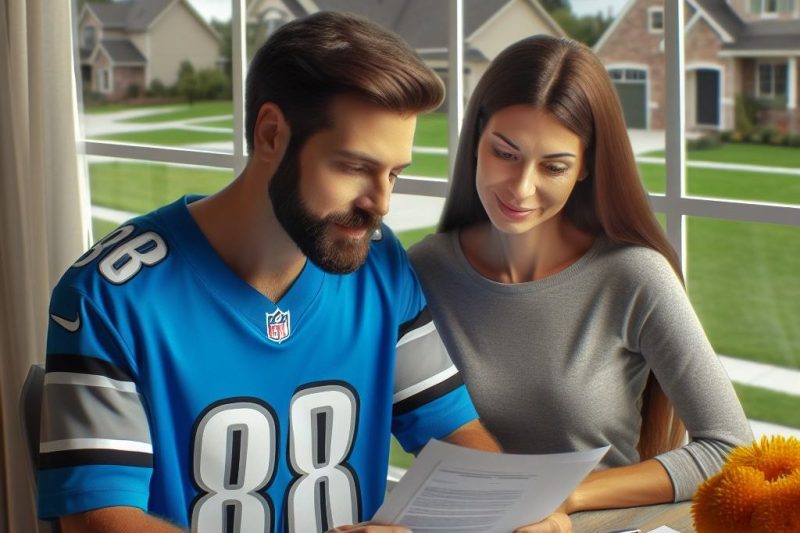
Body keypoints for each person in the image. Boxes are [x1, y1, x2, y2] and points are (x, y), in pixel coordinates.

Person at [36, 12, 527, 533]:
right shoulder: (109, 295)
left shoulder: (379, 266)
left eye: (395, 173)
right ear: (272, 134)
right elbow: (98, 521)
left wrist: (513, 509)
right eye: (355, 167)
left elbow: (456, 434)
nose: (381, 203)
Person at [408, 35, 753, 516]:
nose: (521, 188)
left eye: (553, 166)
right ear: (477, 138)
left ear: (586, 165)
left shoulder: (632, 277)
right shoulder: (422, 271)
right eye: (505, 153)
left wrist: (566, 497)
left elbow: (731, 451)